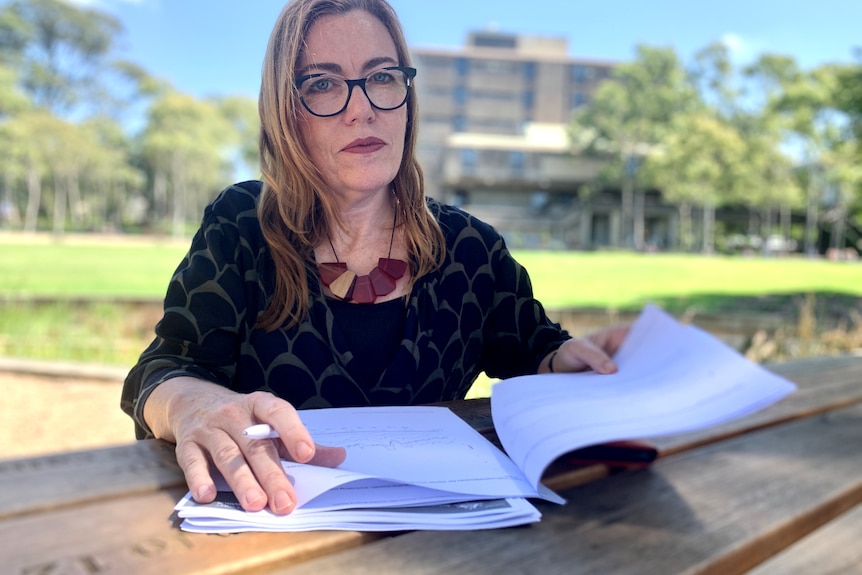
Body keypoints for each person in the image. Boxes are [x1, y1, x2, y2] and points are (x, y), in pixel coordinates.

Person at [121, 0, 629, 517]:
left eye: (382, 76)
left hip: (445, 540)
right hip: (273, 525)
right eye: (322, 83)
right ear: (285, 111)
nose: (360, 108)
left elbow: (534, 351)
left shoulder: (472, 249)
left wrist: (567, 361)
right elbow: (163, 370)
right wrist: (192, 406)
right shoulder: (242, 226)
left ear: (407, 97)